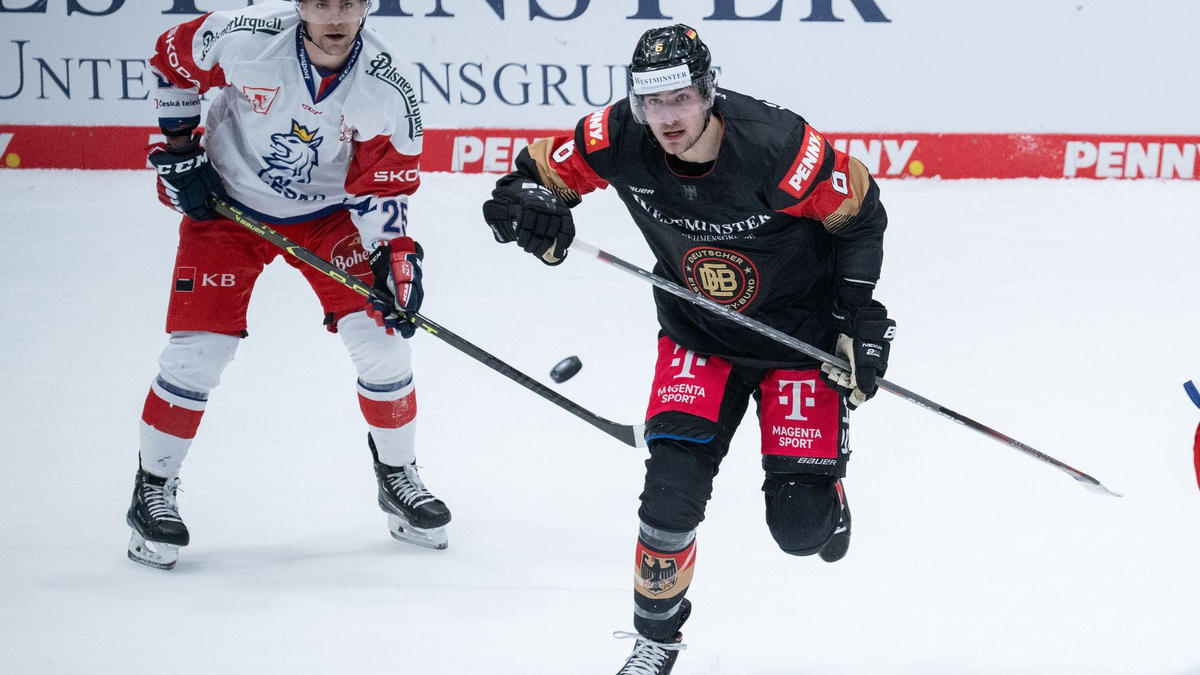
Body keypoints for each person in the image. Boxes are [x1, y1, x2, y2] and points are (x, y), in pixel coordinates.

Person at [482, 24, 893, 674]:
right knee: (669, 496)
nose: (666, 117)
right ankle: (657, 641)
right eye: (652, 100)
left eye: (679, 98)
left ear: (708, 90)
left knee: (800, 527)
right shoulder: (617, 135)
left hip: (796, 339)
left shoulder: (778, 146)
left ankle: (827, 500)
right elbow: (533, 179)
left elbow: (861, 214)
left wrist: (860, 314)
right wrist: (526, 208)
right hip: (698, 335)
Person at [127, 0, 450, 570]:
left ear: (368, 6)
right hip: (228, 208)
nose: (334, 16)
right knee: (197, 355)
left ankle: (397, 475)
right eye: (321, 2)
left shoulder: (389, 85)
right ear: (300, 4)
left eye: (348, 3)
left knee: (383, 344)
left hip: (330, 219)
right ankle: (152, 489)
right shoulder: (243, 35)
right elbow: (169, 62)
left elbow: (382, 185)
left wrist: (395, 256)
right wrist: (180, 151)